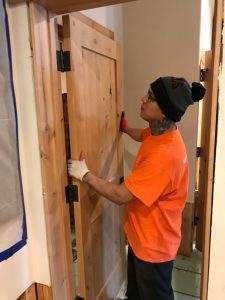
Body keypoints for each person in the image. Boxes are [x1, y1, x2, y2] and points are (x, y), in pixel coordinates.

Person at [68, 76, 206, 300]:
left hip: (154, 247)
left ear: (164, 112)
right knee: (136, 293)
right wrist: (125, 128)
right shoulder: (160, 133)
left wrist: (85, 174)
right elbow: (141, 135)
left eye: (150, 97)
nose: (143, 99)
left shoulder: (164, 157)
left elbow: (121, 195)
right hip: (142, 239)